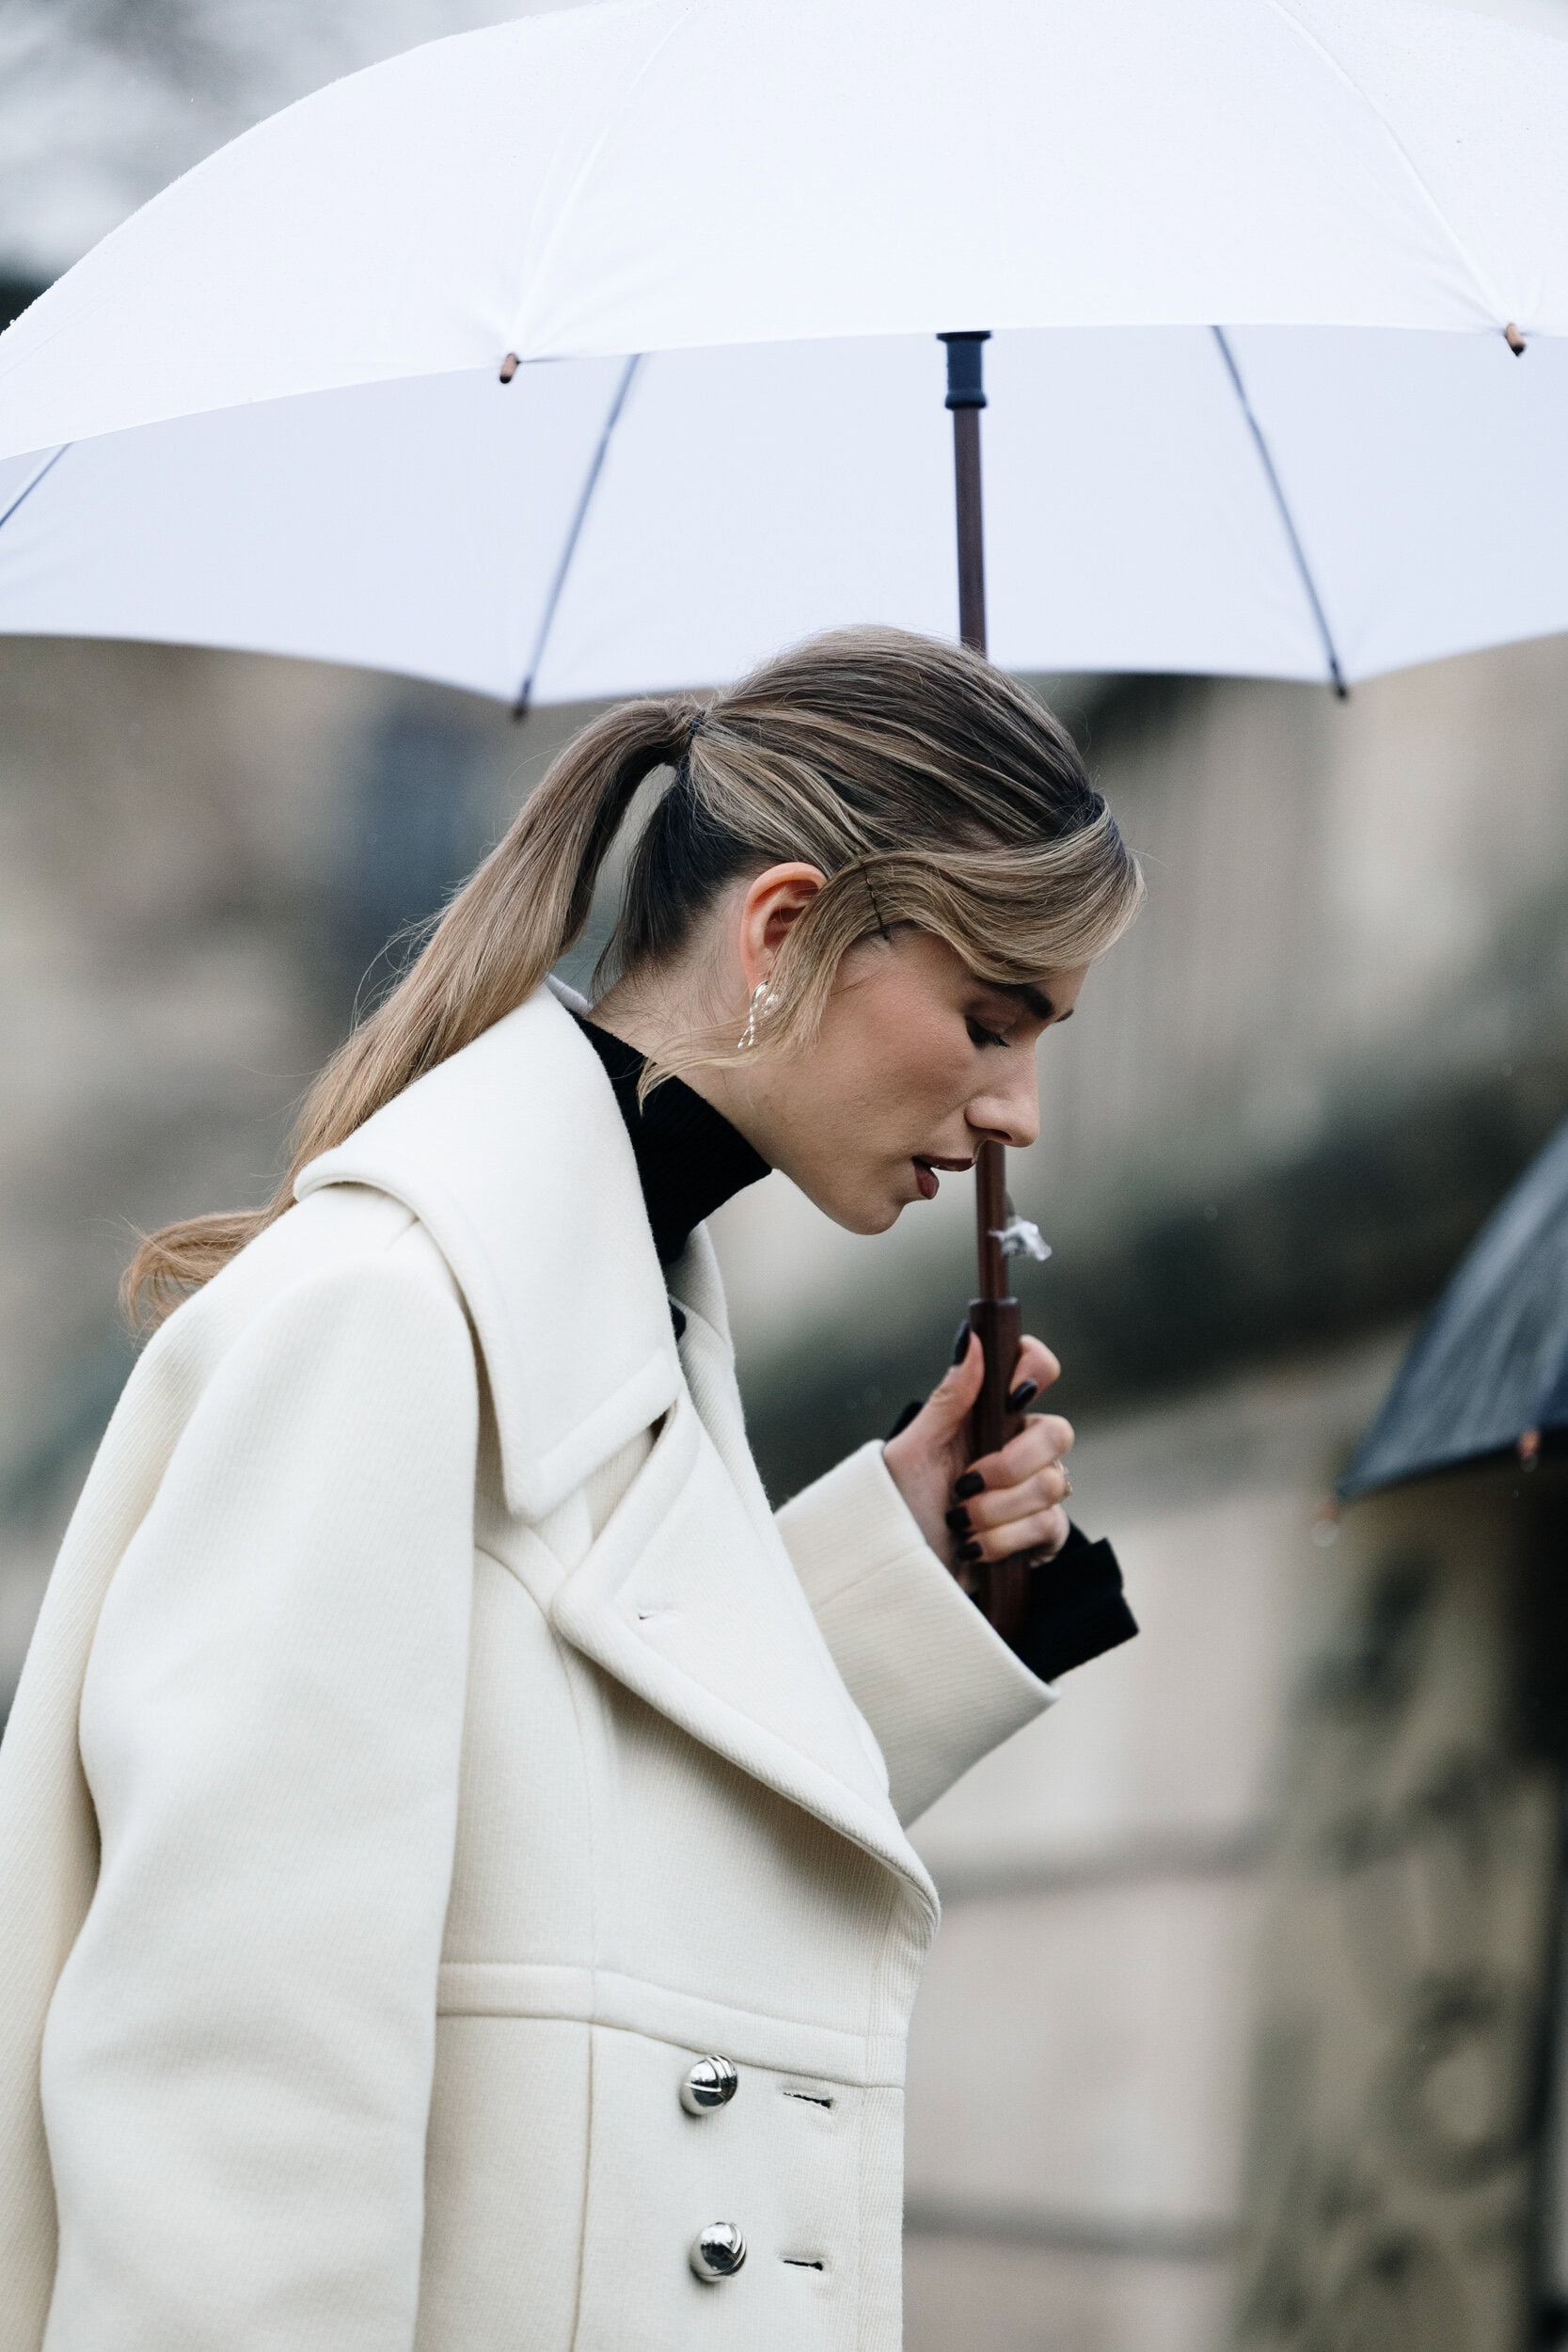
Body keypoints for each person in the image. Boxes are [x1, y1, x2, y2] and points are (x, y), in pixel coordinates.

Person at [0, 627, 1142, 2352]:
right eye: (994, 1019)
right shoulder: (385, 1327)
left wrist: (891, 1575)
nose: (1021, 1114)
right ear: (782, 930)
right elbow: (230, 2113)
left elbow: (576, 1871)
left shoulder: (625, 1294)